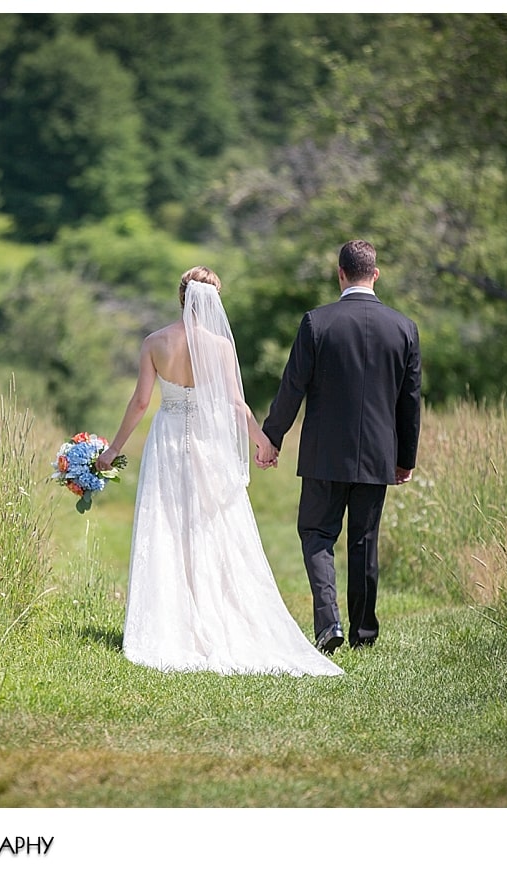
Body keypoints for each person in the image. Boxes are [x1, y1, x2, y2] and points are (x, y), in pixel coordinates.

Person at [95, 266, 342, 676]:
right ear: (213, 301)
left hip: (168, 441)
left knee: (169, 524)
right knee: (211, 525)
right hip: (209, 446)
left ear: (181, 297)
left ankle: (171, 620)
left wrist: (113, 450)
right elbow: (234, 404)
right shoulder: (221, 347)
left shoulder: (155, 343)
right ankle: (214, 613)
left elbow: (140, 403)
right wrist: (262, 440)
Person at [258, 240, 422, 654]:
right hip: (378, 456)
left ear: (340, 274)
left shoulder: (317, 322)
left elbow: (292, 387)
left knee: (316, 533)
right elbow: (410, 400)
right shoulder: (404, 328)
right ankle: (363, 634)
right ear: (376, 274)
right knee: (364, 540)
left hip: (324, 454)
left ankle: (328, 622)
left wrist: (271, 438)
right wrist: (405, 459)